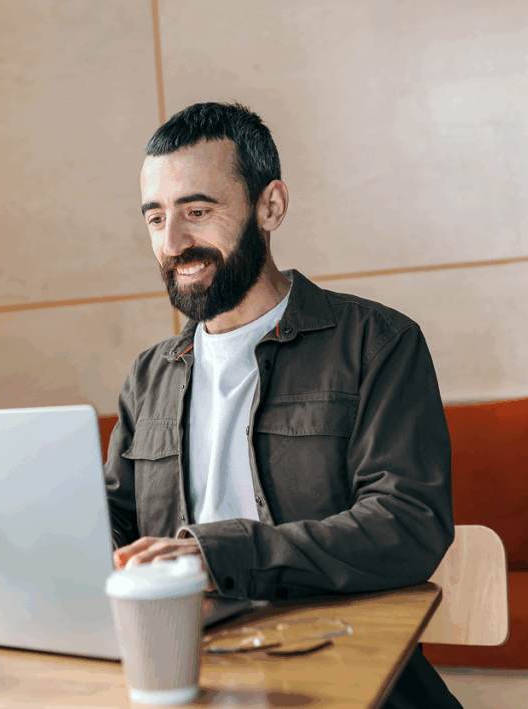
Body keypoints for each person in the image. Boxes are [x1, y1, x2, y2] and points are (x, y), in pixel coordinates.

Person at [103, 102, 462, 708]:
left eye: (197, 211)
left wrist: (218, 553)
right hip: (186, 666)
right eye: (156, 217)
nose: (173, 242)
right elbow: (116, 522)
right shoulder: (149, 376)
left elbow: (407, 523)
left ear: (271, 206)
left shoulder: (377, 343)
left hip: (337, 659)